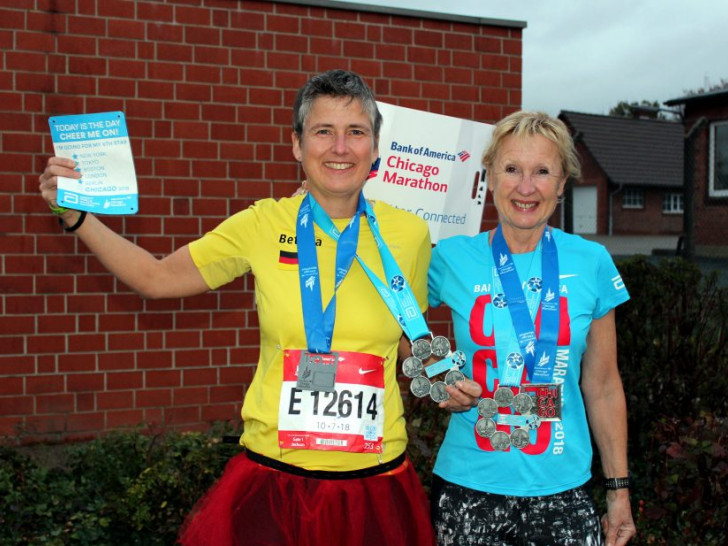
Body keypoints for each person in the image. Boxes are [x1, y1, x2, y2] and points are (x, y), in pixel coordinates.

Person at [39, 70, 437, 546]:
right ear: (296, 144)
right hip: (274, 481)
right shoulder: (261, 224)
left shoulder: (409, 236)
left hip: (376, 483)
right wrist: (77, 217)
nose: (340, 148)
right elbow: (156, 278)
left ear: (375, 148)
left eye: (356, 132)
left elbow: (413, 338)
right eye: (323, 131)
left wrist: (446, 378)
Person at [427, 111, 637, 546]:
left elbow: (602, 386)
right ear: (489, 178)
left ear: (562, 184)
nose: (526, 187)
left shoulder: (591, 261)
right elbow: (392, 326)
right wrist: (436, 373)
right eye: (511, 169)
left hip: (563, 492)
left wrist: (618, 491)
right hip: (469, 489)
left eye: (542, 171)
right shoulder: (450, 258)